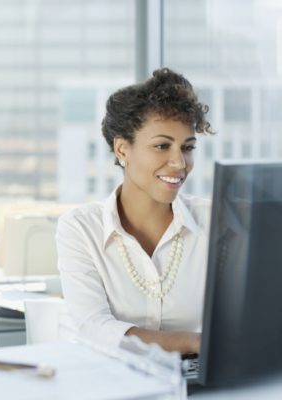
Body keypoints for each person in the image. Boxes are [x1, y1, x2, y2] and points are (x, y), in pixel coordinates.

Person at [56, 68, 215, 354]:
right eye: (161, 146)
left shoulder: (215, 222)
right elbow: (93, 328)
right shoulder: (81, 228)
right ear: (122, 149)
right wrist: (197, 342)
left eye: (187, 147)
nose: (179, 162)